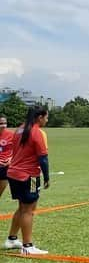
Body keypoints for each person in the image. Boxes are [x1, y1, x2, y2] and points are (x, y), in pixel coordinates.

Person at [3, 106, 50, 254]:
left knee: (22, 207)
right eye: (46, 117)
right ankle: (28, 246)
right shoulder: (37, 132)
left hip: (13, 173)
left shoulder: (20, 129)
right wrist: (47, 177)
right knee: (29, 210)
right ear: (40, 117)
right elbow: (43, 158)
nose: (47, 120)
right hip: (29, 175)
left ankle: (11, 239)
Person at [0, 115, 15, 199]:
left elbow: (17, 149)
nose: (4, 125)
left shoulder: (11, 135)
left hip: (5, 168)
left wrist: (11, 158)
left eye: (5, 123)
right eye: (1, 123)